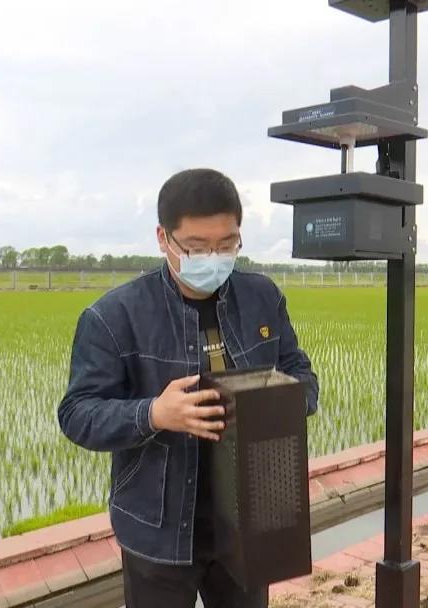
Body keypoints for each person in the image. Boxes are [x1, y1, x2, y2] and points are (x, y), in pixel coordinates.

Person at [57, 167, 320, 608]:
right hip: (159, 527)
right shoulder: (114, 316)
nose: (213, 257)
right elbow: (77, 413)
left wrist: (286, 401)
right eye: (197, 247)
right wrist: (155, 414)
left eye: (227, 244)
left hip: (248, 517)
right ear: (164, 239)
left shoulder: (262, 297)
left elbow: (299, 371)